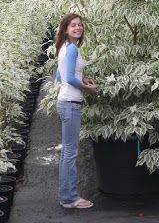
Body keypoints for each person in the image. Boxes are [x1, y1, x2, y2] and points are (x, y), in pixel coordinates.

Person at [55, 13, 98, 209]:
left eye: (80, 25)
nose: (78, 28)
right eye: (73, 25)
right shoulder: (71, 48)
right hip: (71, 103)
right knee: (70, 153)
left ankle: (66, 196)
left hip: (65, 101)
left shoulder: (64, 47)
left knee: (67, 153)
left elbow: (60, 76)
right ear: (65, 29)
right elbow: (70, 79)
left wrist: (83, 77)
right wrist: (88, 88)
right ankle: (70, 198)